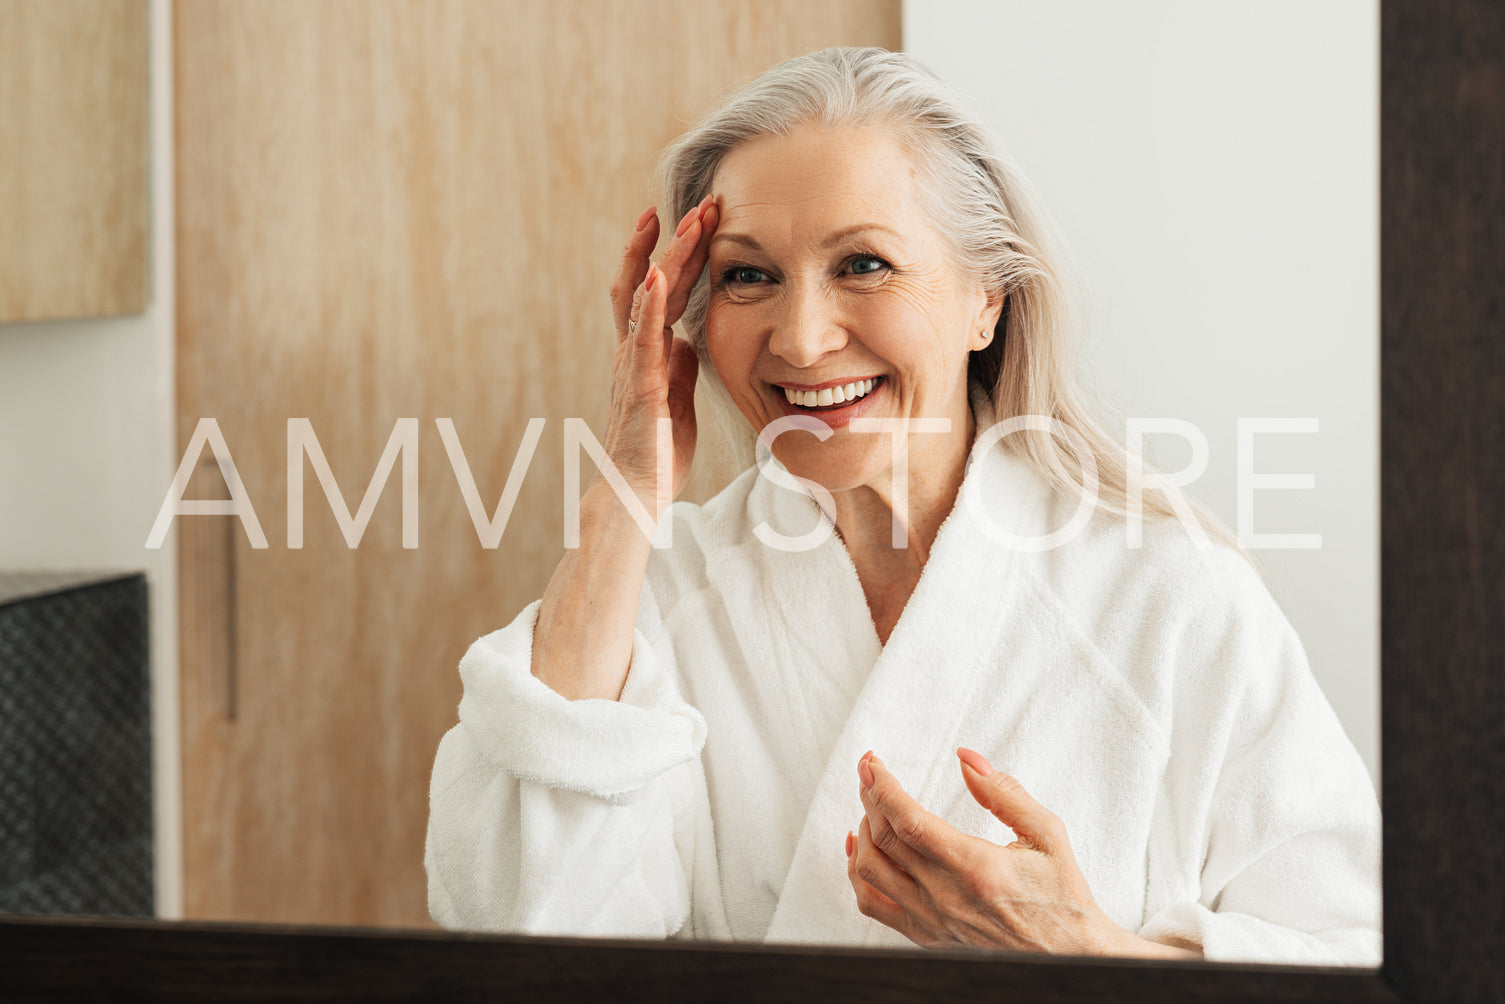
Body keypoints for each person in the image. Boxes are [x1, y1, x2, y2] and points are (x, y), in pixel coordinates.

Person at [424, 47, 1381, 965]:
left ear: (986, 302)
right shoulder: (652, 592)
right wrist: (623, 500)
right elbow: (524, 936)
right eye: (747, 276)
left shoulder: (1168, 598)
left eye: (864, 265)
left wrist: (1086, 952)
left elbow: (1360, 958)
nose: (799, 340)